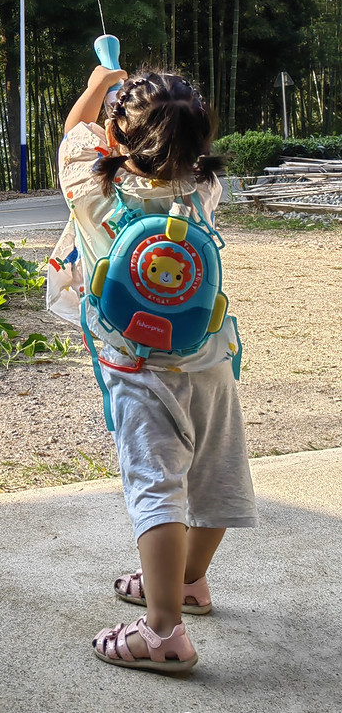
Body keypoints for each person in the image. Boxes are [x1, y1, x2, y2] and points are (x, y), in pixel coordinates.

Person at [47, 64, 255, 675]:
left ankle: (164, 632)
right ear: (200, 142)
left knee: (156, 487)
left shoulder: (92, 190)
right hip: (212, 358)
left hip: (138, 365)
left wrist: (97, 85)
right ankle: (188, 583)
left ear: (119, 135)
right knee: (212, 475)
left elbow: (74, 130)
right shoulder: (204, 188)